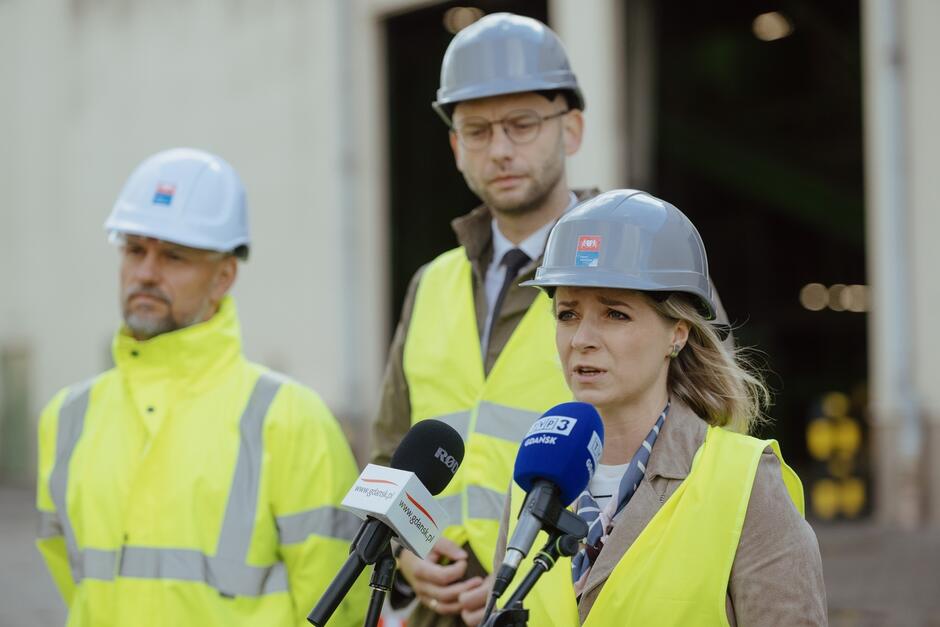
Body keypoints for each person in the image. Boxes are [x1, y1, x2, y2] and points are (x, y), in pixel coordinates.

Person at [35, 148, 368, 626]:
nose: (147, 272)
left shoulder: (289, 418)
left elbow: (340, 605)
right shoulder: (68, 417)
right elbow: (76, 580)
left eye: (174, 256)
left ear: (224, 276)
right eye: (134, 250)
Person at [490, 189, 827, 626]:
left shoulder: (745, 483)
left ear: (678, 334)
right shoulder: (532, 480)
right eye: (568, 314)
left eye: (615, 314)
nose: (581, 339)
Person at [371, 13, 590, 627]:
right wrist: (406, 550)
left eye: (522, 124)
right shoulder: (432, 284)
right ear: (455, 146)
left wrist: (534, 575)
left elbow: (685, 463)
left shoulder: (636, 266)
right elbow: (390, 453)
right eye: (476, 129)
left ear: (571, 129)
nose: (500, 148)